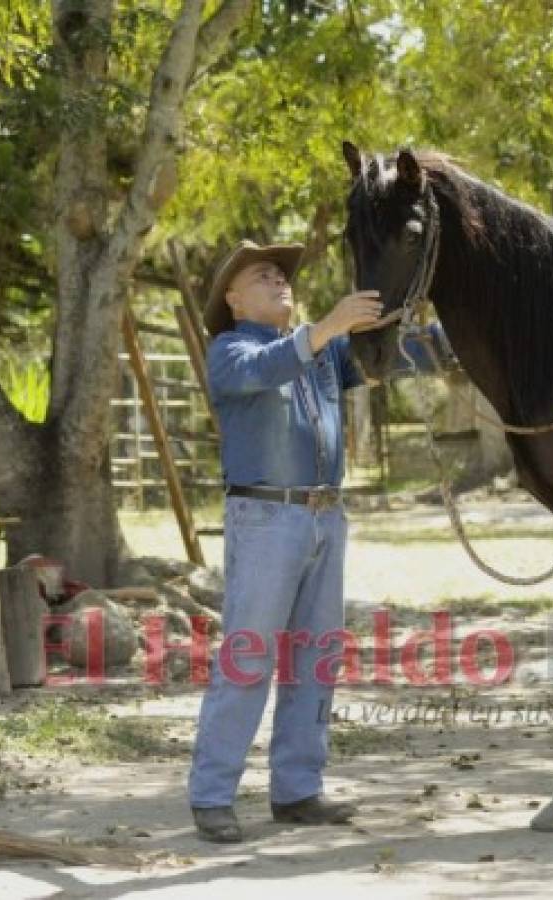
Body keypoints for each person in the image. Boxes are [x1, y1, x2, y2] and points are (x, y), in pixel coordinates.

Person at [187, 240, 383, 843]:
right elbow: (267, 368)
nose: (279, 280)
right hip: (268, 517)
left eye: (282, 275)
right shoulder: (230, 350)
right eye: (263, 276)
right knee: (248, 656)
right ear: (233, 298)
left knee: (314, 657)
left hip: (325, 516)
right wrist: (327, 326)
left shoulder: (321, 352)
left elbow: (384, 354)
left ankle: (298, 789)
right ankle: (212, 795)